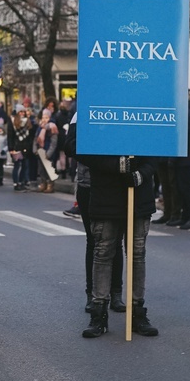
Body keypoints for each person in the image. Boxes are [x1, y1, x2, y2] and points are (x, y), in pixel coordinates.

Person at [69, 116, 159, 338]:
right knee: (103, 251)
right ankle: (98, 311)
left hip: (139, 193)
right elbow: (74, 146)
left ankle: (138, 311)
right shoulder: (95, 107)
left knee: (137, 254)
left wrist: (142, 173)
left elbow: (161, 144)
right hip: (106, 191)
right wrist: (114, 165)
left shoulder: (144, 109)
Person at [64, 113, 126, 315]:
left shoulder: (119, 110)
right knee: (95, 240)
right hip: (89, 184)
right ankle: (93, 295)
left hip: (116, 184)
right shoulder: (81, 113)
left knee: (116, 241)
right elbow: (71, 146)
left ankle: (116, 293)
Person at [8, 104, 35, 191]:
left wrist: (29, 146)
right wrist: (11, 148)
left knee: (25, 165)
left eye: (23, 112)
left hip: (26, 147)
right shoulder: (12, 122)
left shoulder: (28, 121)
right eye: (20, 112)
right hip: (16, 147)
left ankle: (22, 181)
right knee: (17, 165)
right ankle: (16, 183)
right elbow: (10, 136)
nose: (22, 113)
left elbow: (30, 136)